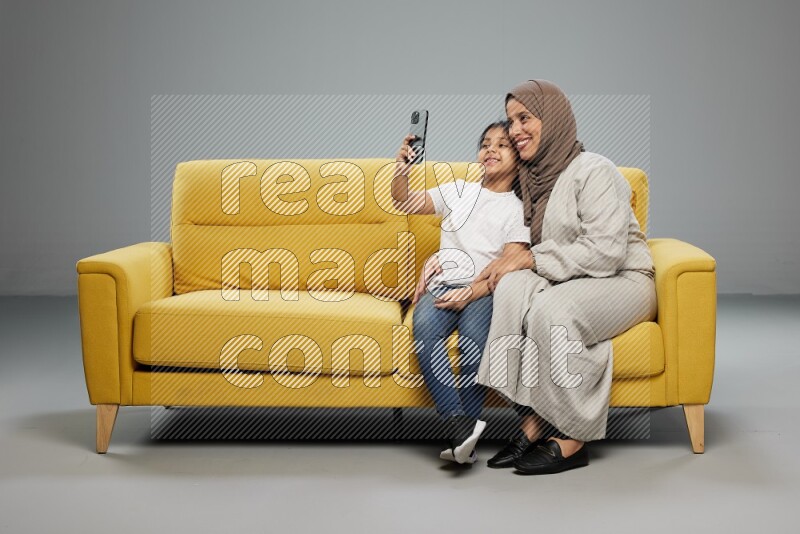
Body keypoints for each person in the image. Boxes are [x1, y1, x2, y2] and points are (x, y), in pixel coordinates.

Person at [474, 80, 657, 475]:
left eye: (525, 118)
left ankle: (574, 437)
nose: (515, 130)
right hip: (572, 277)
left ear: (553, 119)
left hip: (623, 278)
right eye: (510, 121)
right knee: (512, 290)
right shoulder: (533, 179)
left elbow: (607, 252)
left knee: (552, 311)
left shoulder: (594, 170)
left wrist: (529, 259)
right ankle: (532, 421)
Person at [392, 122, 530, 464]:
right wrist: (402, 170)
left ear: (518, 158)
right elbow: (404, 201)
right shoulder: (458, 191)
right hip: (443, 284)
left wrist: (471, 291)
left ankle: (465, 429)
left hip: (484, 290)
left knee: (473, 335)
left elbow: (510, 263)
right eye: (485, 144)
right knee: (423, 325)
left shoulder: (517, 209)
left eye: (503, 145)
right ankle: (458, 422)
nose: (491, 150)